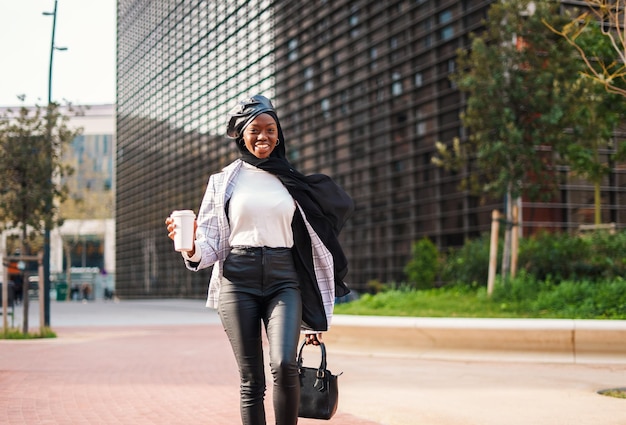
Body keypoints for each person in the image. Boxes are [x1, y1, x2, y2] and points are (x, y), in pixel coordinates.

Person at [165, 95, 353, 425]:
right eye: (255, 130)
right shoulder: (223, 183)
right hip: (238, 282)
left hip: (285, 280)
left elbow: (308, 248)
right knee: (252, 379)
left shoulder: (292, 181)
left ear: (279, 134)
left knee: (284, 364)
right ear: (241, 135)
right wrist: (189, 245)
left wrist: (313, 318)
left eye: (270, 129)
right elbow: (210, 247)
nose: (263, 136)